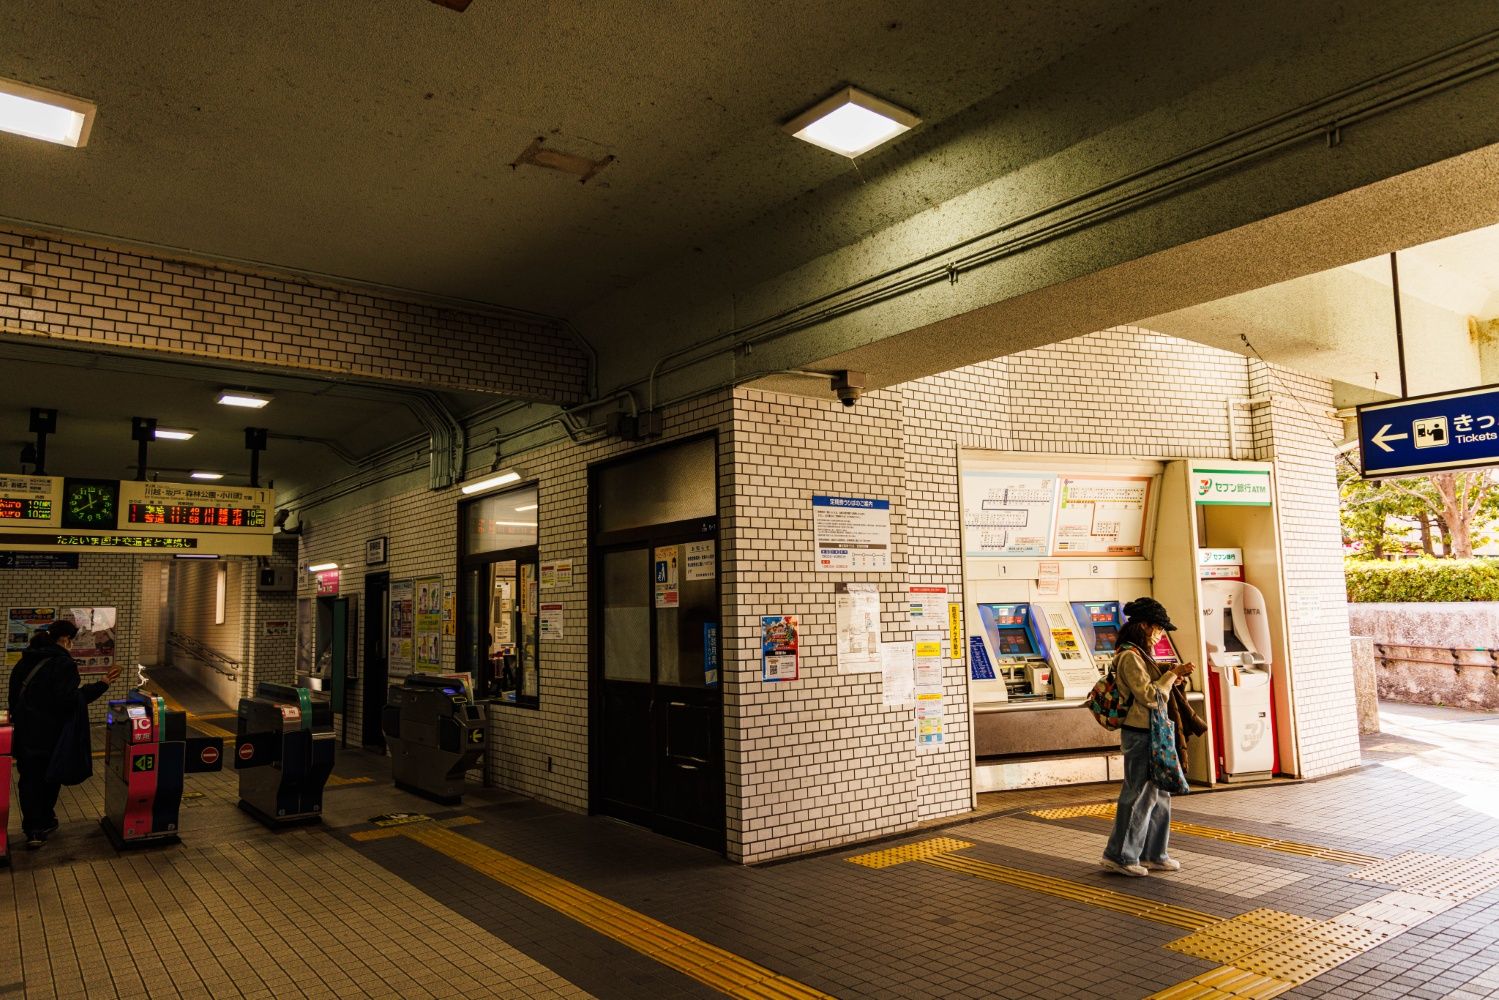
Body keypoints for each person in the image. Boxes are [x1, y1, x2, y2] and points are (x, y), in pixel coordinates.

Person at [1100, 597, 1204, 877]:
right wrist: (1171, 674)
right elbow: (1149, 696)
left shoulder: (1142, 655)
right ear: (1143, 625)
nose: (1160, 634)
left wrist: (1172, 676)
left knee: (1159, 794)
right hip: (1141, 733)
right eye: (1158, 628)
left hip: (1155, 730)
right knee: (1138, 795)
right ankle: (1119, 855)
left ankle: (1153, 853)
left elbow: (1156, 691)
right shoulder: (1130, 656)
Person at [6, 620, 121, 849]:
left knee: (29, 780)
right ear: (66, 639)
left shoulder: (24, 662)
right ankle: (44, 820)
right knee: (49, 778)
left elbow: (13, 699)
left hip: (25, 734)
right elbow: (69, 701)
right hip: (50, 735)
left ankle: (33, 829)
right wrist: (102, 684)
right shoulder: (63, 664)